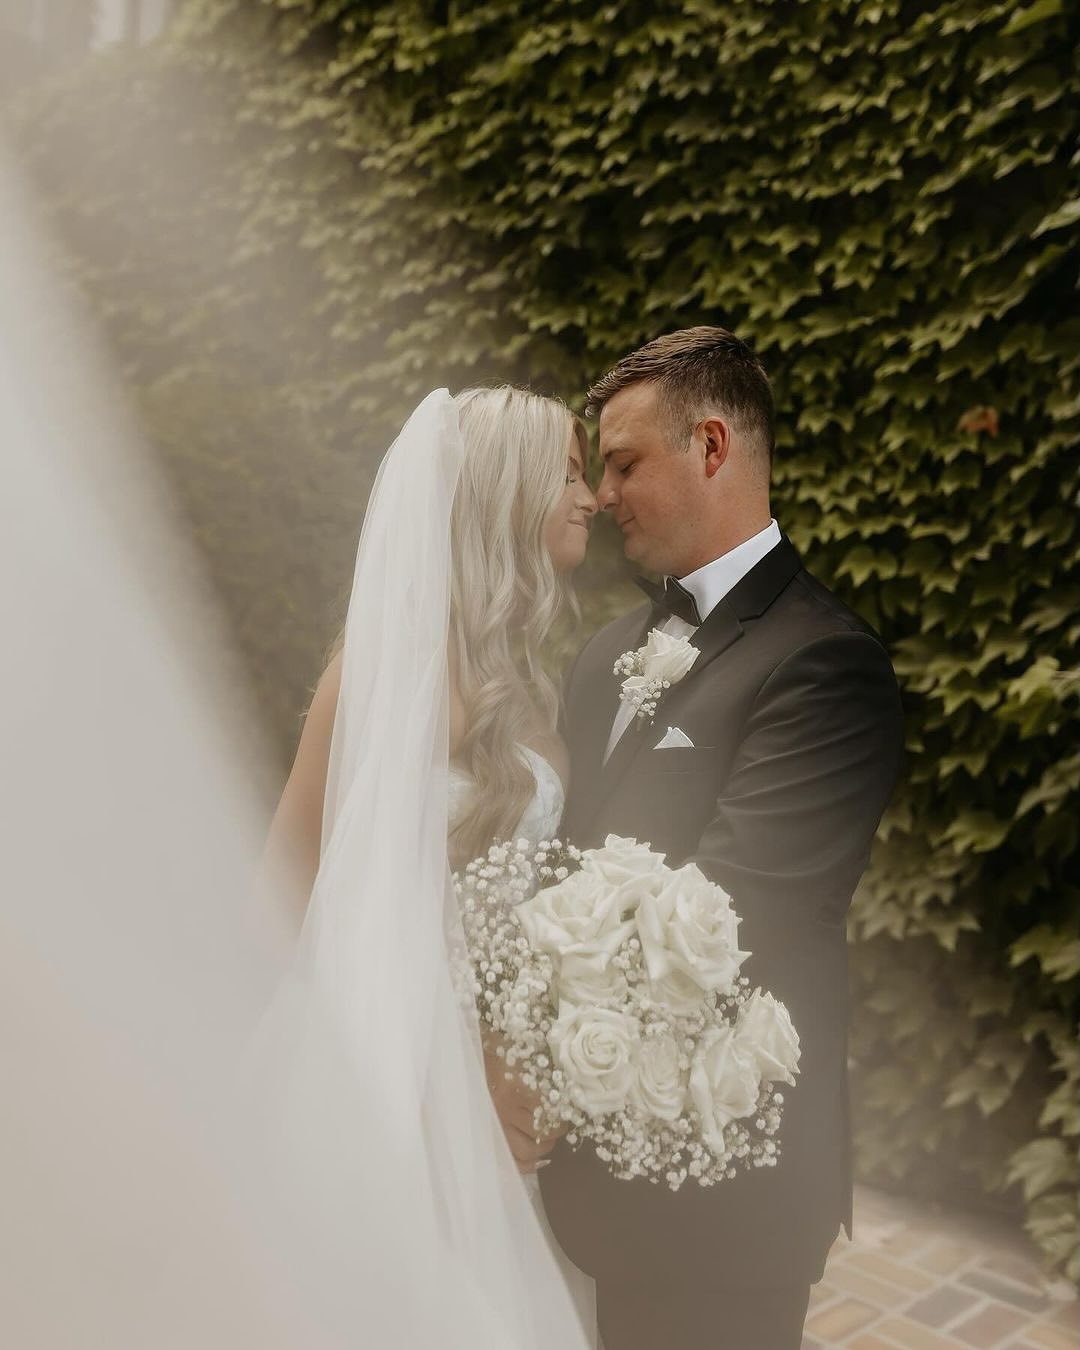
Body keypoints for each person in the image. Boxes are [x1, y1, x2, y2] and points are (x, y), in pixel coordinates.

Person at [539, 327, 905, 1350]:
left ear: (710, 447)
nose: (604, 494)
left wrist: (520, 1054)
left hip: (725, 1192)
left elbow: (735, 910)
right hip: (588, 1176)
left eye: (624, 463)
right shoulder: (611, 648)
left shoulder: (826, 665)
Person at [265, 383, 599, 1175]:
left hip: (504, 1087)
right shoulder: (377, 676)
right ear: (508, 489)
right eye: (571, 475)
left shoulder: (528, 682)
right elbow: (285, 886)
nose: (593, 499)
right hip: (386, 1085)